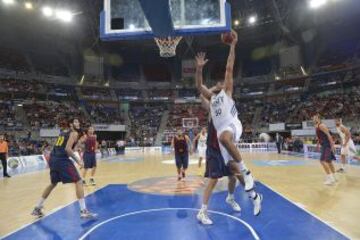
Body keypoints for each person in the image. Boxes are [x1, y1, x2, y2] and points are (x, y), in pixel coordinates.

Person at [195, 30, 262, 216]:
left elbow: (229, 67)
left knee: (225, 139)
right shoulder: (211, 99)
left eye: (220, 83)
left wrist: (232, 46)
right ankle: (255, 196)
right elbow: (200, 86)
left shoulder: (227, 92)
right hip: (221, 136)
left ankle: (247, 173)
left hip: (233, 125)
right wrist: (199, 68)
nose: (218, 83)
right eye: (215, 83)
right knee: (234, 172)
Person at [31, 118, 97, 218]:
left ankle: (37, 208)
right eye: (75, 122)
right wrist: (78, 161)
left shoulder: (63, 132)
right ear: (71, 124)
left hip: (53, 159)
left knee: (53, 183)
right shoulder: (74, 133)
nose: (77, 123)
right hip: (62, 159)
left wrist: (78, 143)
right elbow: (67, 150)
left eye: (78, 121)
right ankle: (83, 211)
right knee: (79, 181)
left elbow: (68, 147)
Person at [197, 95, 242, 225]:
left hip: (225, 152)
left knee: (233, 178)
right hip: (214, 151)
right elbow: (202, 97)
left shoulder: (230, 118)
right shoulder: (214, 111)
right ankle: (202, 212)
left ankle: (230, 198)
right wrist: (209, 92)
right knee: (213, 180)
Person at [313, 114, 337, 185]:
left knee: (322, 161)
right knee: (329, 161)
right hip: (324, 144)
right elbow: (319, 136)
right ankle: (334, 177)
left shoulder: (321, 125)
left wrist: (332, 145)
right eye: (313, 118)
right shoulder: (316, 126)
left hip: (327, 145)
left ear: (319, 118)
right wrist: (317, 144)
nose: (314, 119)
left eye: (315, 118)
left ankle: (330, 179)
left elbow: (329, 135)